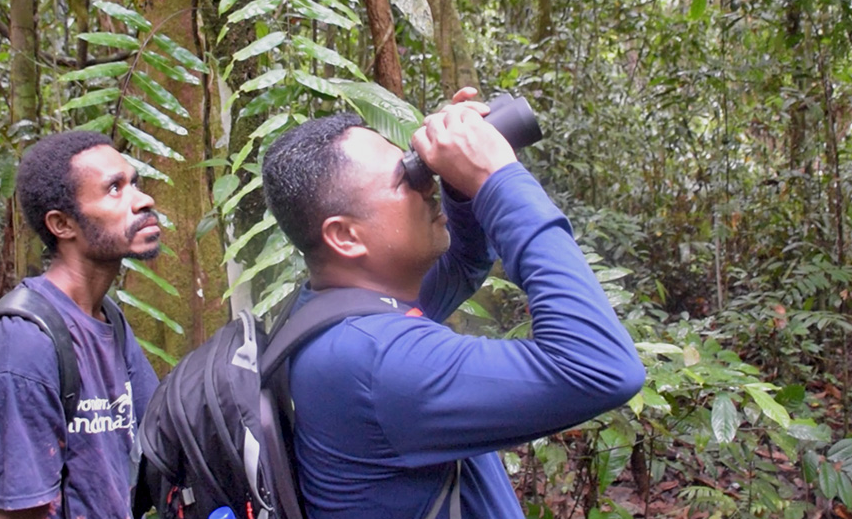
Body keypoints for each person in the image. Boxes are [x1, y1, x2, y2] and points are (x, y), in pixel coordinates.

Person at [261, 89, 646, 519]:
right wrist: (496, 177)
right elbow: (602, 366)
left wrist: (461, 190)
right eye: (406, 178)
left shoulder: (336, 306)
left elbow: (464, 261)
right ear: (346, 236)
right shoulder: (376, 359)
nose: (425, 182)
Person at [0, 131, 162, 519]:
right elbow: (15, 511)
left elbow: (160, 432)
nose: (143, 200)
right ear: (62, 224)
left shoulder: (107, 316)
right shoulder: (21, 343)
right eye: (114, 189)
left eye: (134, 182)